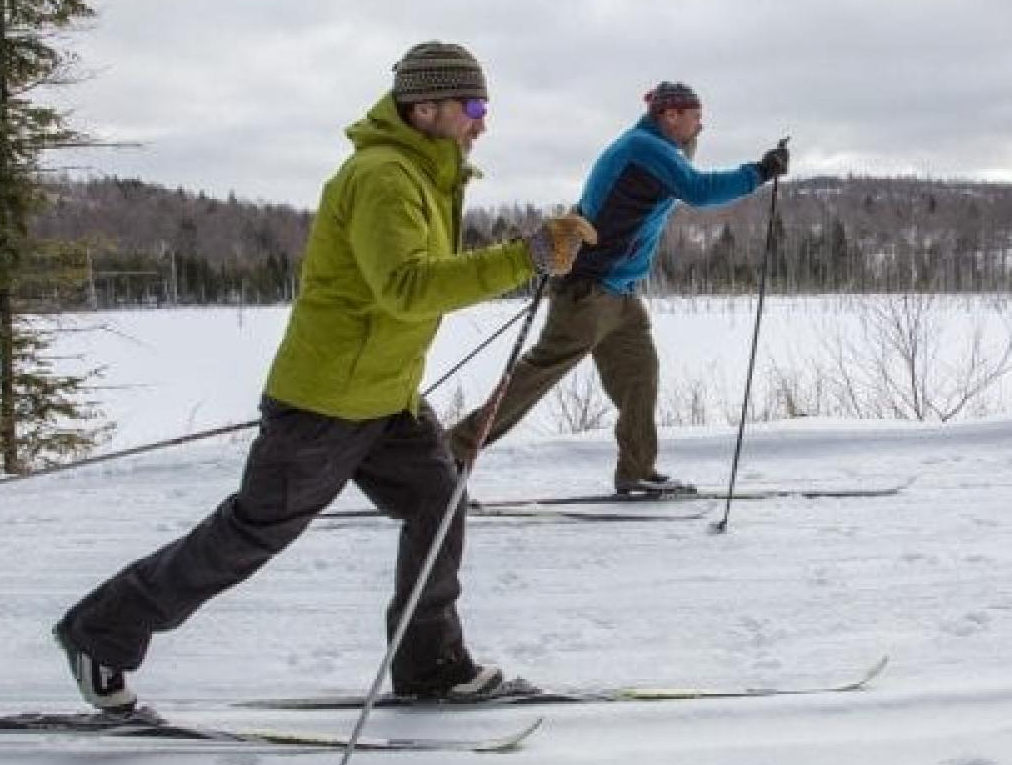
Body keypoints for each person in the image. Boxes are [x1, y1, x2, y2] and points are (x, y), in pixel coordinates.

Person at [53, 41, 595, 711]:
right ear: (425, 107)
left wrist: (526, 256)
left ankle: (430, 664)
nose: (483, 121)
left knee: (439, 497)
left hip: (387, 399)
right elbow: (405, 286)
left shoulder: (428, 174)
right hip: (326, 402)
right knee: (253, 531)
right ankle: (100, 632)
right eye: (473, 106)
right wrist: (524, 258)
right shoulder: (383, 177)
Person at [449, 81, 789, 495]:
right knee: (536, 377)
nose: (701, 127)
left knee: (639, 377)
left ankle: (637, 470)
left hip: (620, 296)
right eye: (695, 118)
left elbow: (655, 184)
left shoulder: (650, 148)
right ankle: (452, 451)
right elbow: (698, 191)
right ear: (670, 115)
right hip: (589, 292)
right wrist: (761, 171)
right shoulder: (644, 149)